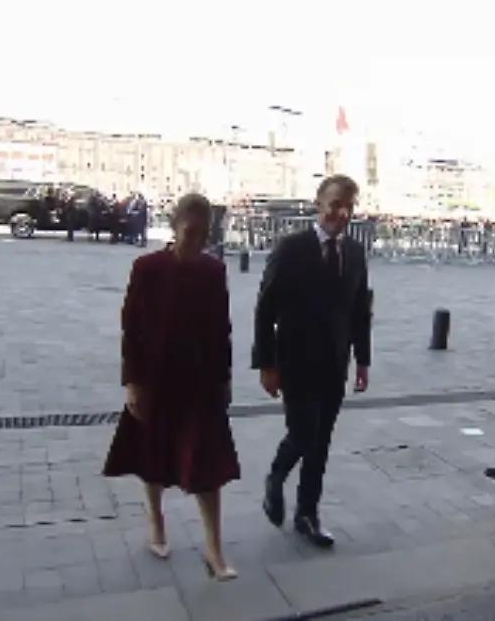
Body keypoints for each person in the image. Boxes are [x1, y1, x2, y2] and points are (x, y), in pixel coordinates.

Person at [103, 193, 240, 581]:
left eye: (204, 234)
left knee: (208, 466)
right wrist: (132, 382)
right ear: (175, 226)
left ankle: (214, 549)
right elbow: (132, 327)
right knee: (153, 455)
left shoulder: (214, 272)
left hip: (200, 381)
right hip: (155, 378)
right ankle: (157, 522)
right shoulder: (147, 268)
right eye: (189, 232)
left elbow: (221, 330)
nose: (196, 241)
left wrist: (225, 378)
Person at [253, 174, 372, 549]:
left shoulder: (354, 253)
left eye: (349, 206)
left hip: (334, 363)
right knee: (303, 433)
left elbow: (359, 313)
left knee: (321, 443)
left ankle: (308, 514)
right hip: (296, 361)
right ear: (319, 203)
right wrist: (267, 364)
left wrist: (362, 361)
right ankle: (275, 477)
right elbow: (264, 309)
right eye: (336, 203)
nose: (342, 212)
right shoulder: (291, 248)